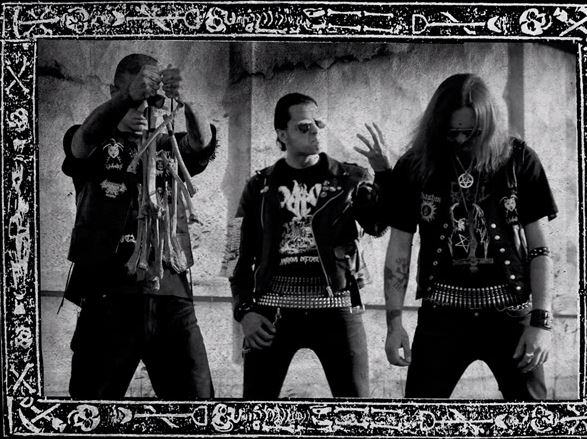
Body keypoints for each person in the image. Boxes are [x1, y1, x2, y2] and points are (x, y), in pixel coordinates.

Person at [379, 73, 558, 400]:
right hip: (441, 316)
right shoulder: (415, 164)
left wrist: (541, 322)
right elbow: (399, 247)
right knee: (420, 415)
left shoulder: (518, 158)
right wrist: (394, 323)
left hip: (509, 314)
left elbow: (540, 248)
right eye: (452, 132)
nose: (461, 139)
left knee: (534, 416)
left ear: (488, 125)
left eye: (472, 132)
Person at [62, 53, 218, 399]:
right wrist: (125, 100)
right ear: (113, 92)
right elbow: (80, 143)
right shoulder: (96, 143)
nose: (143, 109)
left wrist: (188, 101)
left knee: (196, 406)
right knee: (91, 406)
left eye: (151, 100)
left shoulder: (168, 144)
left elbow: (201, 144)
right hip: (106, 295)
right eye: (134, 98)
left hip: (171, 294)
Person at [228, 92, 389, 398]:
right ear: (282, 134)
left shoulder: (349, 179)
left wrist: (383, 174)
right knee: (255, 411)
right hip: (271, 310)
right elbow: (235, 253)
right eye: (304, 127)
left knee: (357, 410)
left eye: (318, 123)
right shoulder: (259, 186)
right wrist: (244, 311)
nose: (315, 131)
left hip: (337, 306)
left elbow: (378, 225)